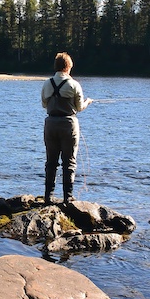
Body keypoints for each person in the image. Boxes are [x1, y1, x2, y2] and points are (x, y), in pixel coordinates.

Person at [41, 52, 93, 203]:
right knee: (69, 162)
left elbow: (44, 104)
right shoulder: (74, 85)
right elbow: (79, 107)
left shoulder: (47, 83)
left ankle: (48, 196)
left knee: (51, 161)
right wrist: (88, 102)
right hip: (68, 125)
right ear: (68, 67)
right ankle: (67, 197)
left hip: (50, 124)